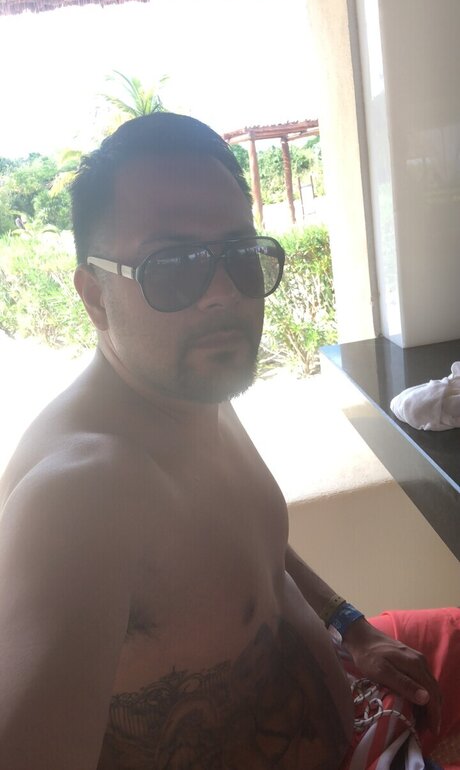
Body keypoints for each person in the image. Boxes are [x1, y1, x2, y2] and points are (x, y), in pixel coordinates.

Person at [0, 113, 456, 770]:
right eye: (172, 265)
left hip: (360, 702)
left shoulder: (193, 392)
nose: (222, 294)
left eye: (241, 256)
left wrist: (351, 626)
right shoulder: (80, 496)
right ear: (95, 296)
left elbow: (255, 544)